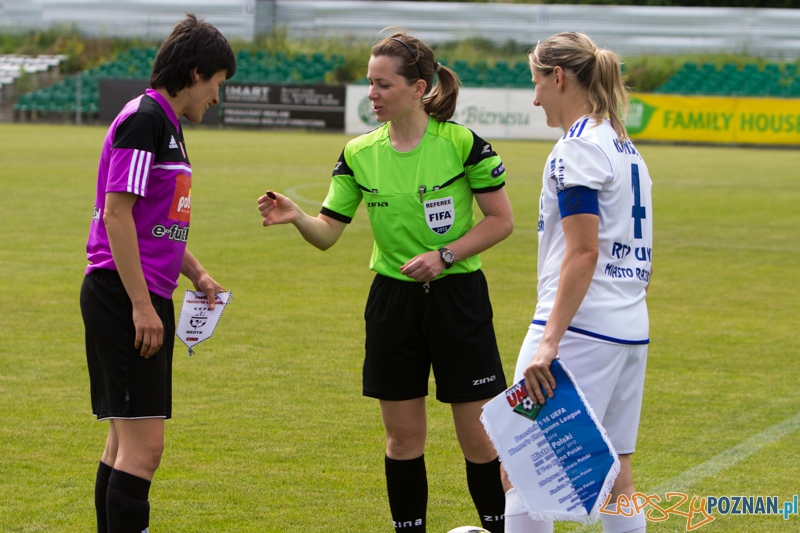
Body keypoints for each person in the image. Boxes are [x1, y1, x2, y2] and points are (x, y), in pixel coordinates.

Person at [258, 29, 513, 533]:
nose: (371, 94)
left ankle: (502, 526)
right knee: (401, 440)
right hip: (393, 303)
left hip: (458, 299)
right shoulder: (358, 153)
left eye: (382, 84)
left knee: (481, 439)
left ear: (418, 88)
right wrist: (297, 217)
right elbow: (328, 234)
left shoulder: (462, 145)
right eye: (369, 83)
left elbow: (501, 221)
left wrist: (444, 255)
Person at [80, 14, 235, 533]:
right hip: (124, 295)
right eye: (217, 85)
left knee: (122, 445)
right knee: (144, 452)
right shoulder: (144, 118)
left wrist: (197, 273)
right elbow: (117, 213)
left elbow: (153, 223)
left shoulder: (165, 124)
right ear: (195, 73)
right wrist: (142, 306)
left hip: (135, 292)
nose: (216, 98)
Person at [502, 32, 653, 533]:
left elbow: (584, 251)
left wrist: (549, 343)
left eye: (537, 83)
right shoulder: (625, 146)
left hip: (577, 331)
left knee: (520, 467)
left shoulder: (577, 149)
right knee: (617, 477)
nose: (535, 96)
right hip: (629, 327)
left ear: (559, 77)